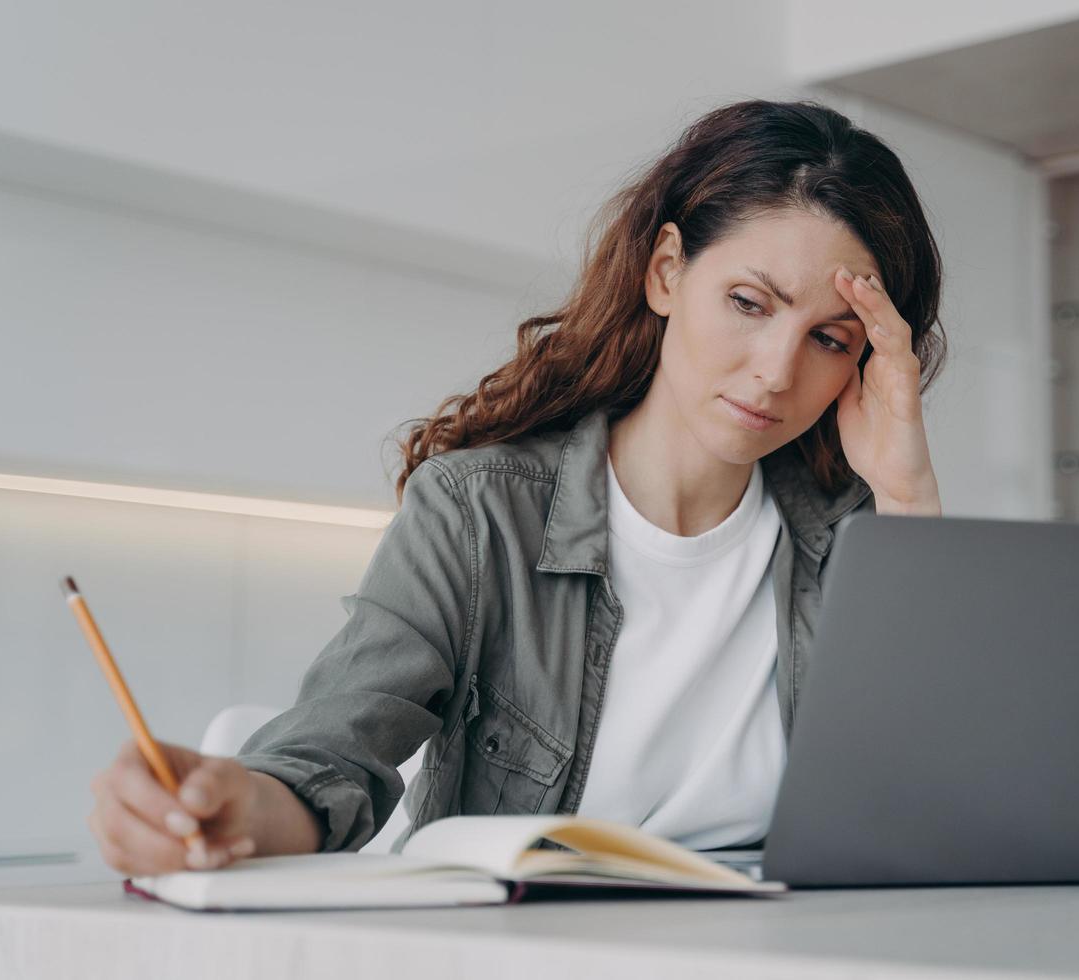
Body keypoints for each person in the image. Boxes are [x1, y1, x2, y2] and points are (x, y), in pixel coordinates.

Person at [87, 98, 948, 875]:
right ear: (666, 273)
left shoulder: (849, 536)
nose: (775, 372)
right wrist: (232, 806)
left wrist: (906, 499)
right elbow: (330, 759)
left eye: (831, 340)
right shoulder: (478, 512)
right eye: (751, 304)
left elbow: (932, 802)